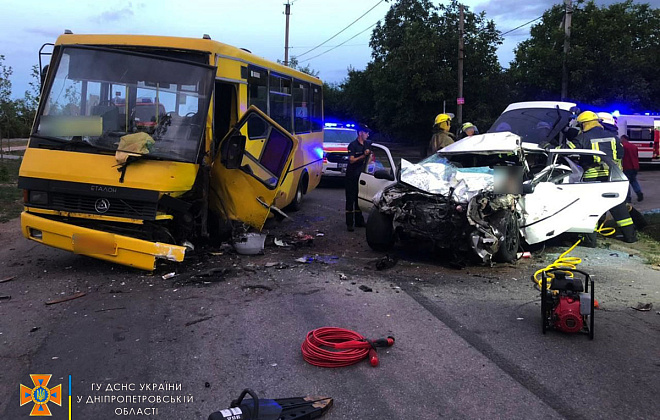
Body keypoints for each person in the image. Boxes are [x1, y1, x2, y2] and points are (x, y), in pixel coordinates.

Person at [569, 110, 636, 242]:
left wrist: (548, 146)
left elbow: (565, 150)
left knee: (591, 208)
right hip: (614, 178)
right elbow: (621, 154)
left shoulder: (583, 137)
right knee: (619, 208)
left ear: (584, 124)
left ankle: (590, 240)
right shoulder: (613, 137)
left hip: (593, 178)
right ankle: (631, 237)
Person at [345, 124, 372, 232]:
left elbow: (370, 158)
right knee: (350, 199)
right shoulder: (353, 145)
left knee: (359, 198)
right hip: (351, 176)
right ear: (360, 133)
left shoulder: (367, 145)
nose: (368, 134)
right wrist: (363, 156)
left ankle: (359, 221)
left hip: (361, 176)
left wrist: (369, 156)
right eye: (366, 132)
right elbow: (351, 160)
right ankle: (350, 223)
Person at [621, 134, 644, 202]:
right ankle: (639, 192)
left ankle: (628, 198)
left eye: (621, 139)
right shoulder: (633, 146)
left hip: (627, 166)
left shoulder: (623, 146)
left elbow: (622, 157)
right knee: (633, 180)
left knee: (626, 182)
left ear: (624, 139)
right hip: (635, 166)